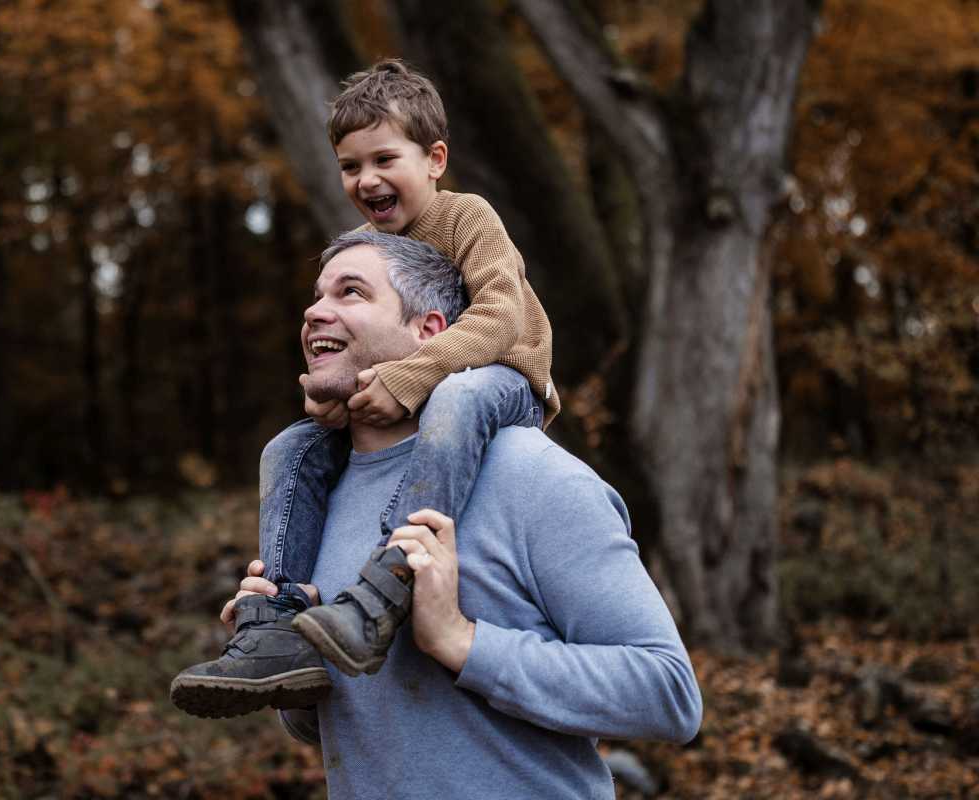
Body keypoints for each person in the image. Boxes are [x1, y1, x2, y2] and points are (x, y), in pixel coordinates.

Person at [213, 232, 703, 798]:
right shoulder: (312, 501)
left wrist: (461, 641)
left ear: (430, 331)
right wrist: (301, 665)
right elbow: (344, 727)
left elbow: (668, 693)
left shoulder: (533, 476)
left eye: (351, 293)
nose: (314, 312)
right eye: (316, 297)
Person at [172, 58, 559, 717]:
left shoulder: (466, 217)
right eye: (351, 166)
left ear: (435, 158)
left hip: (504, 381)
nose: (367, 180)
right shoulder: (358, 245)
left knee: (458, 396)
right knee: (287, 449)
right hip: (423, 396)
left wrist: (409, 377)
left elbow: (501, 318)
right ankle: (277, 623)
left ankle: (390, 582)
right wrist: (327, 393)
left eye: (385, 159)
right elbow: (342, 343)